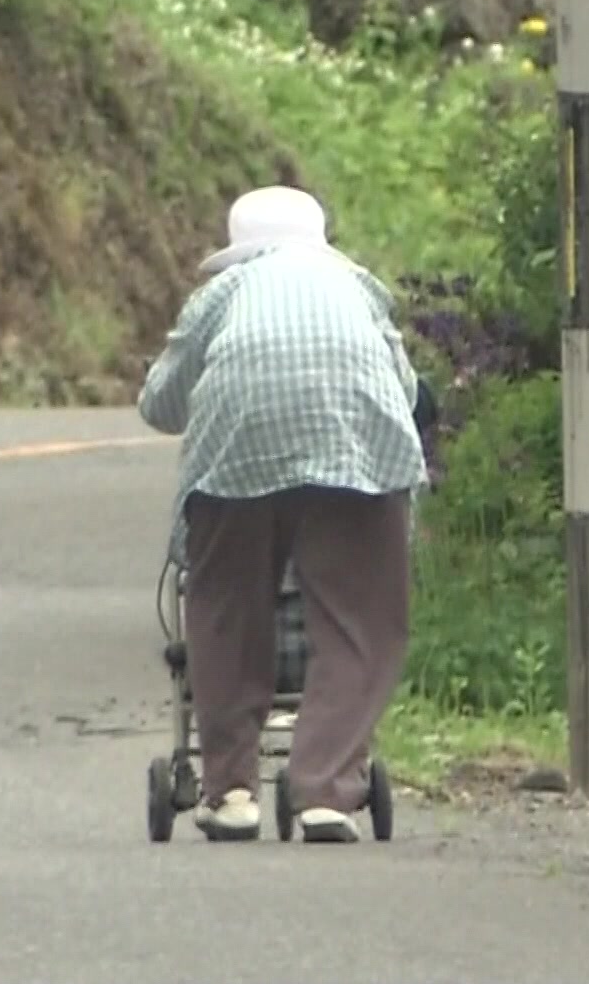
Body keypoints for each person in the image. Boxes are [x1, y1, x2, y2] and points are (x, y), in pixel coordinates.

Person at [137, 185, 428, 845]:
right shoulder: (357, 286)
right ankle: (326, 791)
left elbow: (160, 404)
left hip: (236, 446)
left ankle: (231, 792)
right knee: (360, 617)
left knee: (225, 603)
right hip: (358, 440)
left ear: (238, 246)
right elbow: (406, 391)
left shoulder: (221, 294)